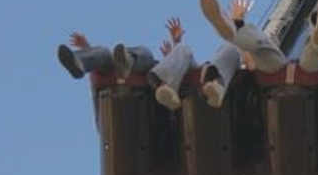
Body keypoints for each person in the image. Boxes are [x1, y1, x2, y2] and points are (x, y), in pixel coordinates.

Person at [56, 18, 241, 112]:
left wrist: (176, 44)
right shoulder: (160, 65)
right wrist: (86, 48)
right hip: (149, 71)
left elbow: (182, 57)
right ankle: (80, 61)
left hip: (154, 70)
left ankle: (129, 62)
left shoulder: (172, 60)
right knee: (104, 52)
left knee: (168, 50)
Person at [199, 0, 318, 73]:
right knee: (263, 44)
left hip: (279, 70)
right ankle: (234, 29)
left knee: (264, 47)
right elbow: (251, 62)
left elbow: (250, 62)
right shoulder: (271, 56)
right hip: (280, 70)